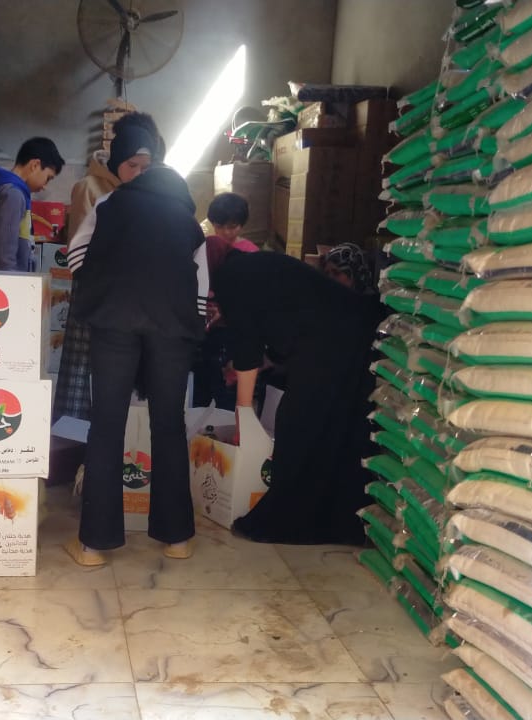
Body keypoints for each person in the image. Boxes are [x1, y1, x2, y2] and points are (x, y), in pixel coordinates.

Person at [64, 124, 207, 566]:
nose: (139, 171)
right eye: (135, 164)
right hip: (172, 330)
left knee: (107, 425)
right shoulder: (187, 215)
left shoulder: (109, 204)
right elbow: (201, 281)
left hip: (114, 324)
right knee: (169, 425)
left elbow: (76, 255)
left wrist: (105, 283)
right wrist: (188, 319)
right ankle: (177, 538)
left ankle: (94, 547)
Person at [208, 241, 374, 546]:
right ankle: (342, 520)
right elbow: (282, 323)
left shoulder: (230, 279)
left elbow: (247, 352)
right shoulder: (251, 265)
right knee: (339, 429)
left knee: (300, 425)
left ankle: (290, 520)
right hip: (353, 331)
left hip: (332, 341)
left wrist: (243, 416)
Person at [54, 112, 162, 424]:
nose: (139, 171)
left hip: (138, 300)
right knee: (83, 375)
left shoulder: (155, 189)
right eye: (133, 163)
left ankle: (123, 438)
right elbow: (80, 254)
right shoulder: (89, 188)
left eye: (146, 165)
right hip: (97, 294)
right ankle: (74, 440)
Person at [0, 137, 64, 272]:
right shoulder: (13, 195)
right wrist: (14, 283)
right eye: (48, 178)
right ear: (35, 165)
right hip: (3, 282)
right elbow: (4, 257)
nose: (45, 186)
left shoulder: (6, 190)